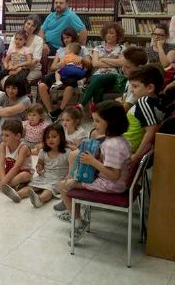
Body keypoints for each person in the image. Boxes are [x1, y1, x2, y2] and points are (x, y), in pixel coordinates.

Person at [58, 101, 130, 244]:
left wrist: (93, 162)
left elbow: (114, 175)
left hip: (111, 185)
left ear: (111, 122)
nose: (93, 125)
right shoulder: (120, 139)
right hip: (114, 182)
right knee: (74, 176)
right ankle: (74, 212)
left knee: (64, 185)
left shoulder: (112, 145)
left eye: (97, 121)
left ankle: (77, 221)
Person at [78, 24, 143, 110]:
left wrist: (103, 59)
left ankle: (81, 105)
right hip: (97, 74)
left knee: (102, 78)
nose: (108, 35)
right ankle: (99, 112)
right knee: (99, 88)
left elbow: (121, 63)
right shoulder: (98, 48)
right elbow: (95, 64)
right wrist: (113, 61)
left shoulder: (122, 48)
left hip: (114, 75)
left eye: (111, 33)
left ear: (117, 35)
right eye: (106, 33)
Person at [38, 27, 92, 119]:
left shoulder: (82, 48)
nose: (65, 40)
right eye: (64, 38)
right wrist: (60, 64)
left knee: (70, 85)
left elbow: (90, 65)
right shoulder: (60, 50)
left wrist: (81, 60)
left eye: (68, 37)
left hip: (75, 73)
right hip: (62, 72)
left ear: (73, 37)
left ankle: (60, 109)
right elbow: (53, 67)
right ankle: (51, 112)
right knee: (42, 85)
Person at [0, 120, 33, 200]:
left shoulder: (23, 148)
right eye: (2, 135)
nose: (3, 138)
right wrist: (3, 179)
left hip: (21, 172)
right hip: (8, 171)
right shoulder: (3, 145)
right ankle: (9, 185)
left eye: (7, 135)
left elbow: (17, 167)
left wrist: (4, 181)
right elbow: (1, 164)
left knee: (25, 176)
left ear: (18, 136)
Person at [21, 123, 70, 208]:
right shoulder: (43, 152)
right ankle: (17, 195)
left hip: (58, 179)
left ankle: (39, 199)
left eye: (54, 137)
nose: (50, 140)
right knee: (31, 186)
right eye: (48, 137)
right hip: (44, 177)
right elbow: (40, 163)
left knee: (48, 191)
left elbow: (71, 168)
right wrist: (39, 166)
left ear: (61, 137)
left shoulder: (67, 152)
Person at [124, 65, 165, 163]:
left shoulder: (144, 102)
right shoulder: (155, 100)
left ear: (150, 88)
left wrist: (137, 156)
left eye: (135, 86)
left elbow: (151, 131)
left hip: (127, 146)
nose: (132, 90)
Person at [0, 75, 31, 151]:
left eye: (14, 88)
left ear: (20, 89)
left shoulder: (25, 100)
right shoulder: (3, 95)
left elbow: (10, 111)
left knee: (6, 115)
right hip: (5, 124)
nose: (10, 91)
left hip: (19, 126)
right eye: (8, 87)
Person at [8, 14, 45, 82]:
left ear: (36, 28)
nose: (29, 27)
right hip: (14, 68)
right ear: (24, 23)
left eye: (33, 25)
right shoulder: (15, 37)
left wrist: (20, 67)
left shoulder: (38, 40)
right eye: (28, 23)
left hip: (32, 70)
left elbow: (35, 61)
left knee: (18, 81)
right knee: (5, 80)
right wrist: (11, 67)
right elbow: (9, 56)